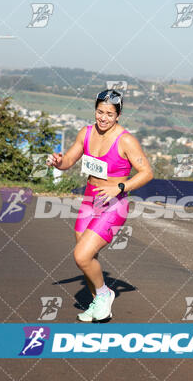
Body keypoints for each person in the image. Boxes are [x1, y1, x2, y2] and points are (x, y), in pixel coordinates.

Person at [47, 89, 153, 322]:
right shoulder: (85, 133)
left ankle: (105, 293)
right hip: (89, 199)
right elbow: (68, 161)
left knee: (82, 256)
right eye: (99, 112)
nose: (103, 118)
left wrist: (120, 188)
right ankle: (99, 303)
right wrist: (58, 162)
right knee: (86, 258)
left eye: (109, 114)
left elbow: (147, 173)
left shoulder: (125, 140)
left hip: (114, 203)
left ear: (118, 115)